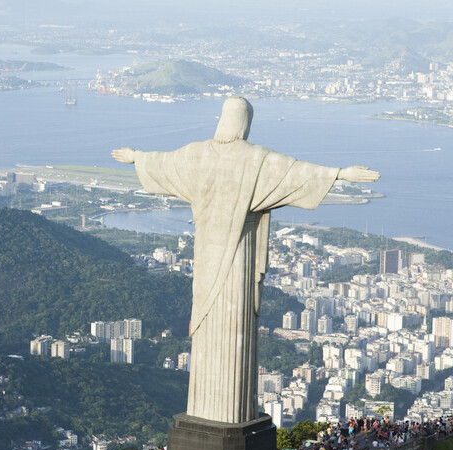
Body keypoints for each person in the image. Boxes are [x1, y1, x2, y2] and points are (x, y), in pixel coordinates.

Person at [112, 97, 379, 425]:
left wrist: (136, 157)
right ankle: (228, 419)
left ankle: (206, 414)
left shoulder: (195, 154)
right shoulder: (254, 160)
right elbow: (297, 173)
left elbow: (163, 163)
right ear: (244, 123)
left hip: (205, 261)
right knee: (232, 328)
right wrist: (341, 173)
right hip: (238, 263)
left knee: (211, 329)